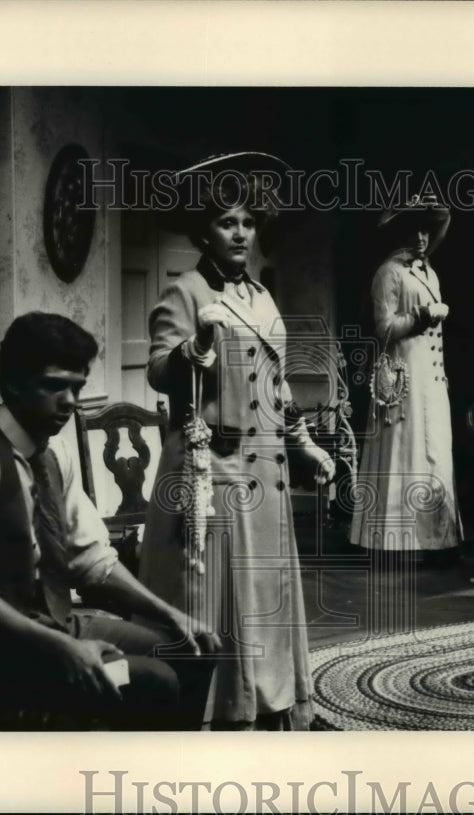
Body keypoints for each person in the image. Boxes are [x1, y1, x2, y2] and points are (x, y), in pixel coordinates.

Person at [0, 312, 219, 729]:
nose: (70, 401)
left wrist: (172, 614)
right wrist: (64, 648)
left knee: (191, 650)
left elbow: (90, 559)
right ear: (12, 385)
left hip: (56, 627)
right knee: (153, 679)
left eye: (76, 387)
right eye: (53, 386)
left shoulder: (52, 458)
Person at [138, 152, 335, 730]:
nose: (241, 233)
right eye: (228, 222)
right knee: (221, 594)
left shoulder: (262, 296)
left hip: (266, 467)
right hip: (211, 469)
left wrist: (304, 443)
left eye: (248, 222)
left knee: (266, 591)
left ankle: (274, 700)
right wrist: (193, 349)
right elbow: (156, 369)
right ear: (205, 230)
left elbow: (278, 387)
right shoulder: (187, 291)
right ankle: (222, 707)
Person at [348, 195, 462, 561]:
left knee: (433, 451)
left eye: (425, 229)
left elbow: (445, 217)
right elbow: (382, 329)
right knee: (404, 449)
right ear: (398, 232)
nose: (420, 236)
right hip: (402, 374)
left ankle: (433, 540)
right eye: (411, 228)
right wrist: (422, 317)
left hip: (431, 377)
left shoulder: (428, 271)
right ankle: (395, 542)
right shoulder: (390, 272)